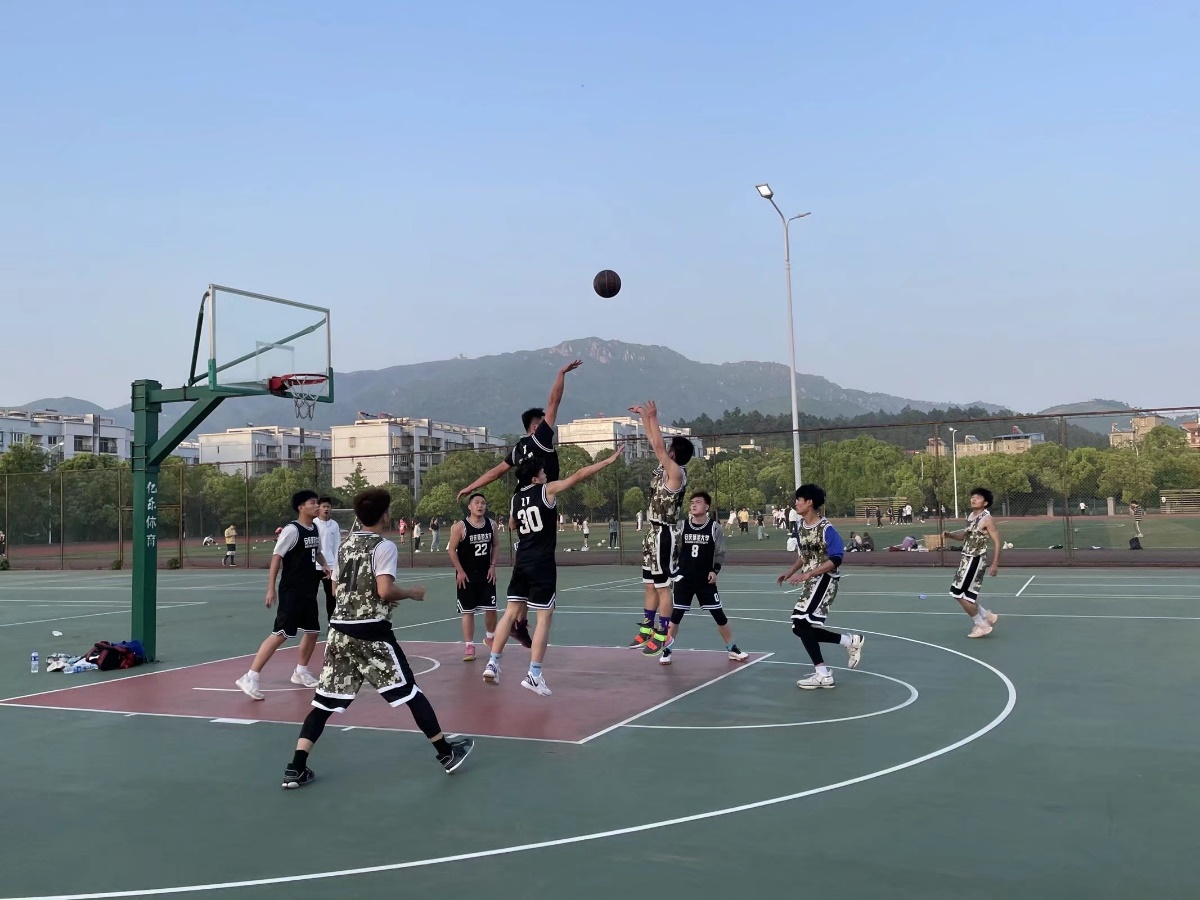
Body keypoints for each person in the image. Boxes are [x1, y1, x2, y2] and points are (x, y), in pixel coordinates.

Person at [281, 488, 472, 788]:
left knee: (324, 703)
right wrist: (410, 593)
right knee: (410, 692)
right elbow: (384, 590)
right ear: (384, 515)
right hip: (371, 632)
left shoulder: (345, 545)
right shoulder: (384, 546)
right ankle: (446, 753)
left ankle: (296, 767)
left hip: (339, 630)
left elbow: (335, 589)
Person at [457, 359, 582, 648]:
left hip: (520, 504)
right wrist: (561, 374)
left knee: (525, 564)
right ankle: (523, 625)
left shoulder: (517, 449)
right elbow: (554, 401)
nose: (550, 426)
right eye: (544, 423)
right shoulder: (540, 439)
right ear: (535, 427)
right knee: (540, 559)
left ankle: (518, 623)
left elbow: (495, 472)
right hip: (540, 497)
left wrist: (471, 486)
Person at [482, 450, 621, 696]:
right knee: (544, 617)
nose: (546, 474)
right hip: (542, 562)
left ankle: (493, 663)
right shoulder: (546, 490)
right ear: (535, 478)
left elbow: (512, 524)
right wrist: (607, 461)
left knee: (510, 612)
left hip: (521, 560)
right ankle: (534, 674)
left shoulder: (516, 498)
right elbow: (578, 476)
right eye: (543, 472)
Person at [236, 491, 330, 699]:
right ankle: (250, 676)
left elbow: (317, 552)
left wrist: (324, 565)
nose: (317, 506)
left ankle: (301, 672)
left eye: (317, 503)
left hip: (308, 589)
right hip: (292, 590)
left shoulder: (314, 528)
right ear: (301, 507)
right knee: (281, 633)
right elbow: (276, 557)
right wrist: (271, 588)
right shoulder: (292, 530)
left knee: (313, 631)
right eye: (312, 503)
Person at [776, 484, 864, 690]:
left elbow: (836, 559)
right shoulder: (800, 527)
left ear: (809, 503)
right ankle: (849, 642)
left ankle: (823, 674)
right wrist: (790, 571)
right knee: (799, 628)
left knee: (801, 622)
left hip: (825, 580)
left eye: (799, 500)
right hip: (811, 582)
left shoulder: (826, 529)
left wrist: (809, 573)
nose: (796, 503)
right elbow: (804, 556)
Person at [627, 400, 694, 656]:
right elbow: (653, 440)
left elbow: (657, 445)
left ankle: (663, 633)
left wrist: (653, 417)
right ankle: (647, 627)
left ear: (674, 454)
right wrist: (644, 418)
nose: (665, 449)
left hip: (665, 534)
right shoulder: (664, 468)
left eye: (670, 448)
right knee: (649, 584)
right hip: (652, 532)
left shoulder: (676, 473)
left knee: (662, 587)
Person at [660, 491, 748, 666]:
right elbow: (672, 549)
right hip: (684, 579)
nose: (693, 505)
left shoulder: (715, 528)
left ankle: (732, 648)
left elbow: (720, 553)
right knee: (676, 616)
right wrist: (673, 571)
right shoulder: (682, 526)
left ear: (706, 507)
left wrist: (715, 571)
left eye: (698, 502)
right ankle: (667, 650)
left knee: (719, 615)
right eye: (692, 502)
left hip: (705, 580)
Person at [942, 487, 1001, 638]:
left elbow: (997, 541)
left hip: (975, 559)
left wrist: (995, 563)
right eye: (973, 496)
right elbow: (965, 536)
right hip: (966, 558)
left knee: (957, 594)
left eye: (978, 497)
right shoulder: (971, 516)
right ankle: (987, 615)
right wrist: (950, 535)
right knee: (967, 595)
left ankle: (982, 625)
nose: (974, 499)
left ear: (985, 503)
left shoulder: (986, 519)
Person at [447, 493, 498, 662]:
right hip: (467, 575)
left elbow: (496, 545)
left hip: (486, 573)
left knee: (491, 608)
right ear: (469, 507)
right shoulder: (461, 527)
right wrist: (460, 571)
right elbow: (451, 550)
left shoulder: (491, 525)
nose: (480, 505)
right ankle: (469, 646)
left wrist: (493, 566)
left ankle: (490, 637)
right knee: (468, 611)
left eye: (483, 503)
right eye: (476, 503)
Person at [315, 496, 341, 623]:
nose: (326, 509)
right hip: (314, 566)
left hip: (330, 566)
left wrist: (336, 566)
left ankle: (332, 624)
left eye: (328, 507)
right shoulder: (313, 523)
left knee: (331, 597)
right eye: (324, 506)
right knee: (310, 597)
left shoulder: (334, 525)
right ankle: (312, 626)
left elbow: (337, 547)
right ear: (319, 508)